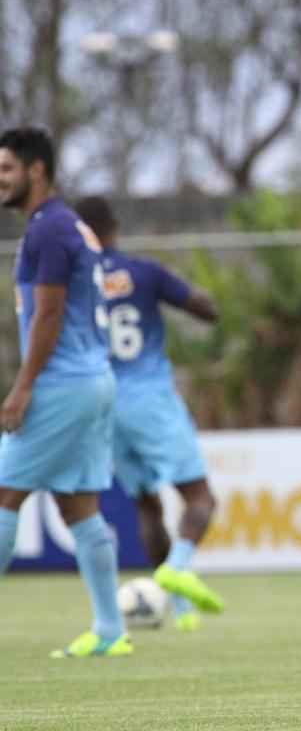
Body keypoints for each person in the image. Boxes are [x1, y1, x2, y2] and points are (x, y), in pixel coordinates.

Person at [0, 127, 130, 657]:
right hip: (92, 379)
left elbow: (49, 313)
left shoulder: (47, 230)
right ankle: (110, 631)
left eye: (6, 169)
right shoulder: (69, 225)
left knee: (5, 493)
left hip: (60, 383)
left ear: (37, 170)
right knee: (79, 509)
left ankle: (110, 628)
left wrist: (22, 387)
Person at [74, 196, 224, 629]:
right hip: (151, 398)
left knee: (146, 505)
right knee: (200, 497)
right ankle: (178, 567)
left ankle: (177, 608)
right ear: (114, 228)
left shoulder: (74, 281)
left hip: (102, 402)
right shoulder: (144, 271)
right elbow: (206, 309)